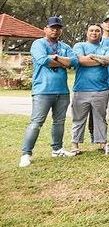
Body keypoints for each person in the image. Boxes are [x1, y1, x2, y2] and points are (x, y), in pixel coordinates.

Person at [19, 16, 79, 167]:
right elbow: (42, 60)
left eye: (58, 28)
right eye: (52, 28)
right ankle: (26, 154)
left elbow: (74, 62)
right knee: (36, 122)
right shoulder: (38, 43)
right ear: (45, 29)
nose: (55, 30)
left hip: (62, 91)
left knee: (59, 122)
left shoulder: (65, 46)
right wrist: (62, 62)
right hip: (42, 90)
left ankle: (57, 149)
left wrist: (56, 57)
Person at [70, 24, 109, 155]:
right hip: (81, 89)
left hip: (101, 89)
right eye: (91, 30)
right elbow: (81, 61)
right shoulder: (79, 46)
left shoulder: (107, 47)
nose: (94, 33)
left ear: (101, 33)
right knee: (78, 118)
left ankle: (102, 142)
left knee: (100, 117)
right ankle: (75, 144)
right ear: (86, 32)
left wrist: (92, 57)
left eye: (97, 31)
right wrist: (100, 60)